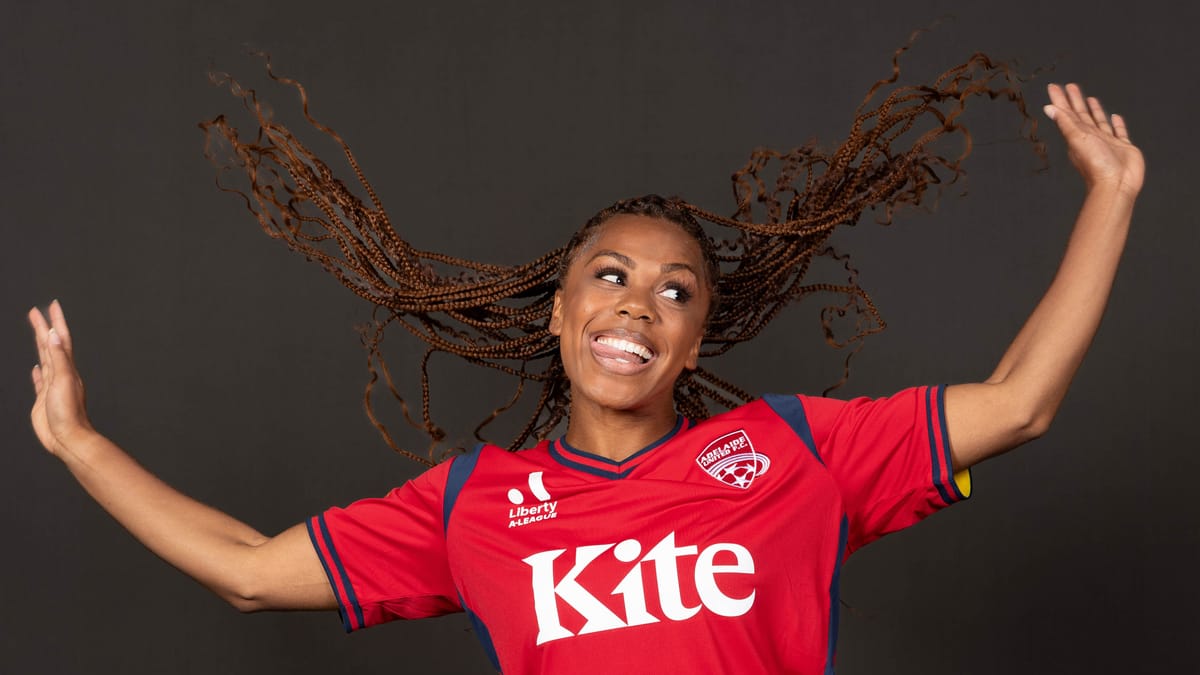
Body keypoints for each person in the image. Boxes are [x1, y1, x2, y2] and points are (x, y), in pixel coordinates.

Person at [27, 75, 1142, 673]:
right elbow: (250, 571)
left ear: (695, 344)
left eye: (675, 292)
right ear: (560, 316)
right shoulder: (477, 505)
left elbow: (1020, 402)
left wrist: (1112, 196)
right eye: (609, 278)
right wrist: (80, 444)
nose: (637, 304)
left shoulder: (795, 454)